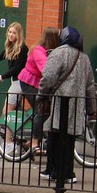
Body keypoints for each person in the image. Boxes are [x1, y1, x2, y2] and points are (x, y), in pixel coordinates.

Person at [38, 26, 97, 184]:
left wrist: (40, 96)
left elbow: (48, 78)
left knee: (55, 137)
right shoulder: (84, 58)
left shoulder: (58, 53)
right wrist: (92, 108)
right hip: (77, 106)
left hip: (58, 103)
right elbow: (90, 86)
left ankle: (55, 172)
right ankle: (67, 172)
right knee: (68, 140)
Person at [17, 26, 60, 154]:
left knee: (47, 111)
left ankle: (30, 142)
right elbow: (45, 69)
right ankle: (35, 142)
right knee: (40, 109)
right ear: (52, 39)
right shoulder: (38, 50)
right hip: (28, 82)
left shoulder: (49, 50)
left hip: (39, 84)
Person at [0, 22, 29, 108]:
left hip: (20, 81)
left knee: (7, 111)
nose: (11, 34)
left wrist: (1, 77)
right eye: (9, 32)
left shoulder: (22, 48)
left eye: (14, 33)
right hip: (14, 81)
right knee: (14, 110)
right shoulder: (11, 47)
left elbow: (17, 68)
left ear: (18, 35)